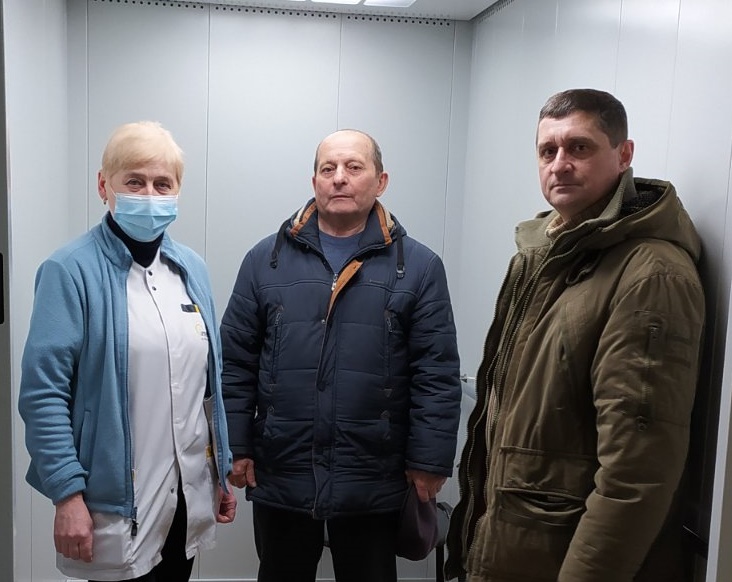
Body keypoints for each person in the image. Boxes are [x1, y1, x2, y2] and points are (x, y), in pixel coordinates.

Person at [444, 88, 705, 582]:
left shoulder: (650, 275)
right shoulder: (548, 254)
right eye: (548, 151)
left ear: (624, 155)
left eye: (579, 147)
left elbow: (636, 475)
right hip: (521, 550)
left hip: (562, 558)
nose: (560, 164)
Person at [221, 129, 462, 582]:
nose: (339, 178)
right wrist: (236, 445)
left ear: (381, 180)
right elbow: (235, 362)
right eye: (327, 168)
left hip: (374, 471)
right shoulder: (265, 260)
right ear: (313, 181)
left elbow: (436, 372)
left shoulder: (419, 266)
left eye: (354, 167)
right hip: (284, 466)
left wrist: (429, 461)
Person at [18, 121, 237, 582]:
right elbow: (43, 395)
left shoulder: (191, 269)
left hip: (186, 497)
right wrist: (66, 495)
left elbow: (205, 385)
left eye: (163, 184)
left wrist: (220, 468)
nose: (150, 195)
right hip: (111, 503)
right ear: (104, 185)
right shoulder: (70, 270)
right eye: (134, 181)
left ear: (177, 190)